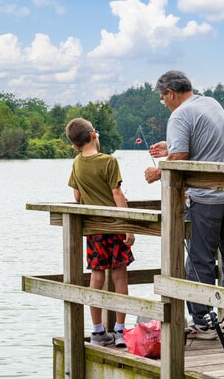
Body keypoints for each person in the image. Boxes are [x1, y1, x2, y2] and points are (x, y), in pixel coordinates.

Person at [144, 70, 224, 339]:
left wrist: (159, 171)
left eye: (162, 97)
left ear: (170, 92)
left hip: (207, 197)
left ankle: (203, 321)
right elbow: (203, 144)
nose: (164, 102)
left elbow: (181, 157)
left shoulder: (179, 114)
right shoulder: (210, 103)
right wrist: (169, 148)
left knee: (199, 259)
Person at [66, 117, 135, 348]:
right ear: (94, 134)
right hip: (114, 228)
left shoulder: (76, 162)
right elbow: (116, 194)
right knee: (119, 277)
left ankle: (97, 331)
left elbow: (76, 197)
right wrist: (129, 226)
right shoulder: (109, 161)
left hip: (94, 231)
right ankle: (120, 331)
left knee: (96, 277)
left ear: (75, 145)